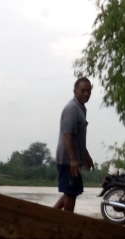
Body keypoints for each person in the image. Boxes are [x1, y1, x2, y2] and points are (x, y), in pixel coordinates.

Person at [54, 77, 94, 211]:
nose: (86, 94)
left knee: (70, 191)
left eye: (88, 91)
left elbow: (79, 138)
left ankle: (52, 215)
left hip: (74, 159)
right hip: (67, 160)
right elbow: (67, 136)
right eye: (83, 91)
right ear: (75, 90)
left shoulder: (81, 108)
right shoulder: (72, 108)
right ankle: (67, 223)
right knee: (71, 192)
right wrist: (73, 160)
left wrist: (86, 156)